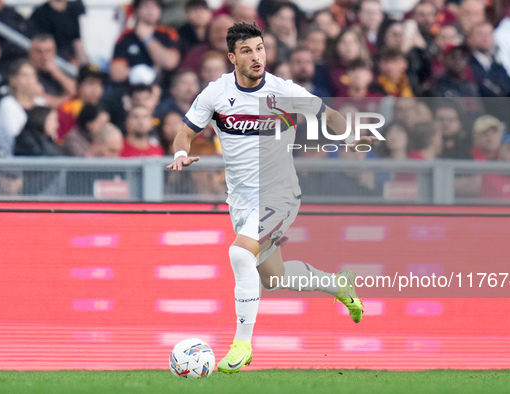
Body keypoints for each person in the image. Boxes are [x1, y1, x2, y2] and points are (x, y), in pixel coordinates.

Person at [167, 22, 373, 374]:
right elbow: (184, 133)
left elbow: (331, 115)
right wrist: (180, 154)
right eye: (247, 51)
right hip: (242, 201)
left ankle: (242, 344)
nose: (256, 56)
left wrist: (349, 136)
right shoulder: (216, 94)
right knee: (273, 278)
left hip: (280, 194)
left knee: (238, 252)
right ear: (232, 57)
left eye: (260, 48)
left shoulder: (284, 91)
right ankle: (339, 285)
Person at [110, 0, 180, 83]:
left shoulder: (168, 34)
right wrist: (138, 72)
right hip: (132, 88)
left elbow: (170, 63)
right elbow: (116, 73)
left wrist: (147, 38)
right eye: (146, 7)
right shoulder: (126, 37)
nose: (151, 11)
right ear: (136, 11)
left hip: (162, 87)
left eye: (155, 7)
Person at [0, 59, 45, 155]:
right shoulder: (7, 104)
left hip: (41, 158)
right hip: (14, 159)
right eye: (24, 75)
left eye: (32, 76)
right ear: (13, 80)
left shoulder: (41, 103)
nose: (29, 80)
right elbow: (13, 137)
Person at [28, 0, 88, 64]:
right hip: (53, 56)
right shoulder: (39, 13)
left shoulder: (74, 9)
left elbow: (77, 41)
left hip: (71, 56)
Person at [57, 64, 106, 141]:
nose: (96, 89)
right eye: (90, 83)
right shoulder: (69, 109)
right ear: (79, 86)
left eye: (100, 84)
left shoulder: (101, 108)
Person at [28, 34, 77, 109]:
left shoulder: (61, 70)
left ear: (54, 53)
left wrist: (57, 73)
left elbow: (77, 90)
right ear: (31, 53)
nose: (44, 56)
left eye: (48, 51)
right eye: (39, 52)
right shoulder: (25, 73)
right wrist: (72, 99)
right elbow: (44, 101)